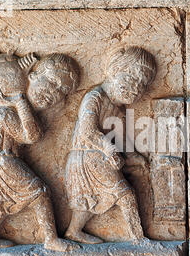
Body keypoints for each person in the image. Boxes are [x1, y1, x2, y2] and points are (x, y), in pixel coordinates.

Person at [0, 52, 79, 251]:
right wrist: (20, 101)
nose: (53, 92)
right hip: (1, 161)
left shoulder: (6, 107)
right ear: (31, 76)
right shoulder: (2, 110)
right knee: (40, 193)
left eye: (61, 92)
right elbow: (31, 136)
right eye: (52, 82)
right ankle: (50, 239)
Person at [64, 46, 156, 244]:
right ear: (115, 69)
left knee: (88, 201)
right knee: (126, 195)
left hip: (97, 158)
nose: (136, 88)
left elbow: (120, 138)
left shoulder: (117, 109)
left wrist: (134, 156)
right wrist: (108, 148)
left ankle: (73, 232)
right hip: (88, 156)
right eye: (132, 78)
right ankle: (138, 238)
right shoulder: (94, 97)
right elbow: (87, 132)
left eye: (142, 85)